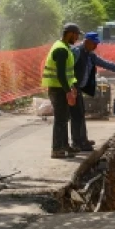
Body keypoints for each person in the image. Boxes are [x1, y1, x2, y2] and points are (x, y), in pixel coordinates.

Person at [69, 32, 115, 152]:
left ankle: (83, 140)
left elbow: (105, 63)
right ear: (87, 41)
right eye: (94, 44)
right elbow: (68, 69)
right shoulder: (76, 52)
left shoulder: (90, 55)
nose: (96, 46)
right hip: (73, 88)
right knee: (76, 116)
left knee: (80, 114)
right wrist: (71, 87)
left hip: (79, 88)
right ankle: (77, 142)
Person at [42, 23, 82, 159]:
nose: (77, 38)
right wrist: (68, 91)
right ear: (70, 33)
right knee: (60, 119)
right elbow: (60, 74)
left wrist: (73, 86)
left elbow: (68, 73)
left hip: (61, 88)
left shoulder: (64, 47)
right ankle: (57, 149)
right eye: (76, 35)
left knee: (64, 118)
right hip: (58, 89)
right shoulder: (61, 50)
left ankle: (64, 145)